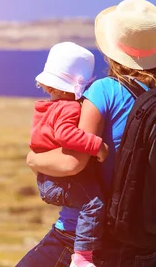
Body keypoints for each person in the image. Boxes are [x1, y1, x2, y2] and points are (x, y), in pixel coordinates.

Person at [17, 0, 156, 267]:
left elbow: (73, 162)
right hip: (141, 244)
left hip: (82, 239)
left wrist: (32, 160)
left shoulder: (103, 91)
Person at [30, 41, 109, 267]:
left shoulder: (47, 107)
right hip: (58, 181)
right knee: (93, 203)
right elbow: (66, 135)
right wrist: (97, 145)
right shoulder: (70, 107)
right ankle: (82, 258)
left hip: (47, 179)